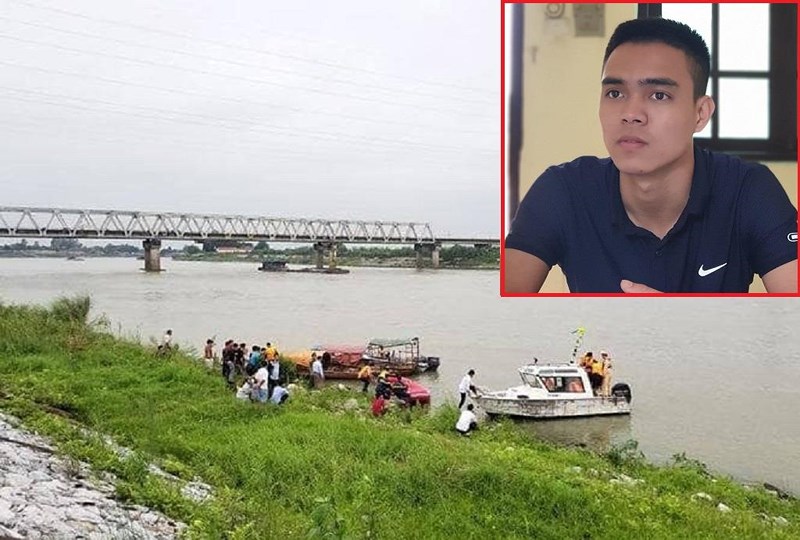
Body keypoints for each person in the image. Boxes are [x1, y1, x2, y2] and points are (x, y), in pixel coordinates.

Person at [504, 18, 798, 294]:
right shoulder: (562, 191)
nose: (631, 114)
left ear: (700, 114)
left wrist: (674, 325)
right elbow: (500, 313)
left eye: (659, 95)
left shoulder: (748, 190)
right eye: (615, 93)